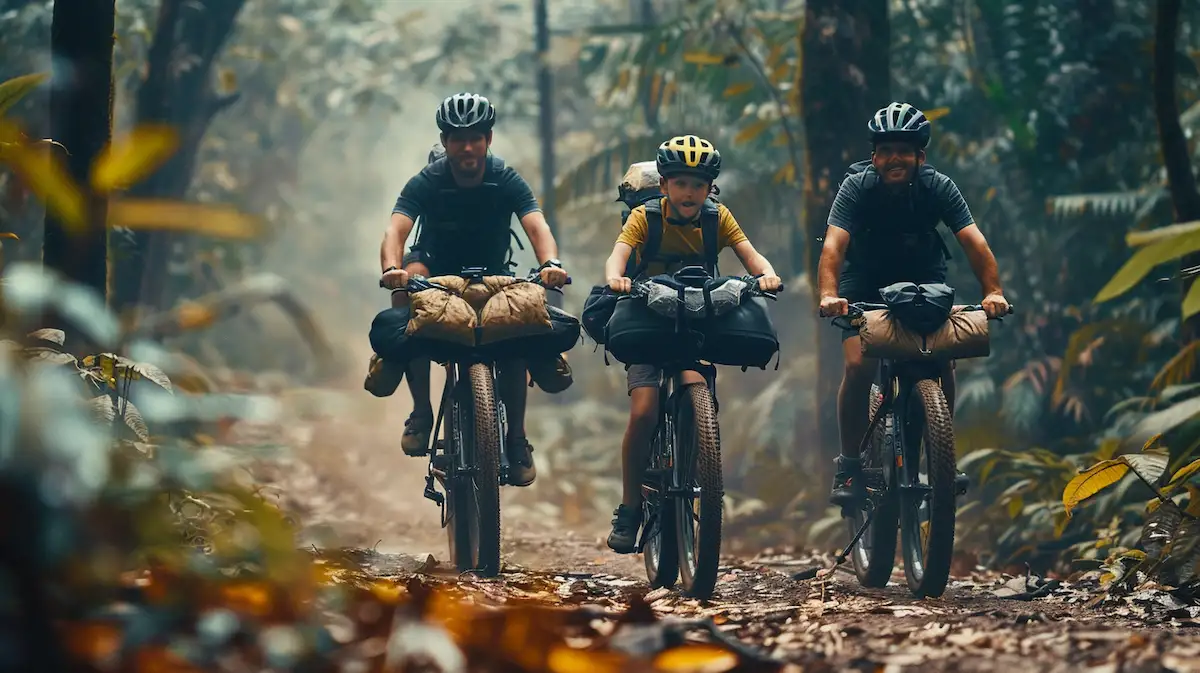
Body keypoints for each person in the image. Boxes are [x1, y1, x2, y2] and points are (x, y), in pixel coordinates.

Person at [816, 101, 1010, 507]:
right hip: (864, 280)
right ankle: (850, 464)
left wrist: (993, 291)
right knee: (857, 364)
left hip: (924, 278)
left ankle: (942, 454)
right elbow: (834, 244)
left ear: (920, 156)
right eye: (886, 150)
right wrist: (830, 294)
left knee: (943, 360)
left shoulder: (939, 187)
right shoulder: (856, 187)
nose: (894, 158)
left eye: (904, 150)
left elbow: (973, 241)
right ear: (874, 157)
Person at [601, 134, 783, 553]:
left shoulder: (718, 218)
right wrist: (617, 277)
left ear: (710, 189)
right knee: (644, 409)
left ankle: (697, 445)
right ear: (663, 186)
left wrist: (766, 275)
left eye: (698, 185)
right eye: (681, 183)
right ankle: (630, 507)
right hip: (647, 317)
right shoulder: (645, 217)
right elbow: (619, 255)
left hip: (696, 315)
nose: (689, 193)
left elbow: (751, 257)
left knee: (697, 382)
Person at [379, 92, 569, 487]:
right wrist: (392, 269)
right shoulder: (427, 181)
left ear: (489, 139)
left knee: (514, 337)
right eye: (457, 138)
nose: (467, 146)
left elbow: (536, 225)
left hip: (494, 273)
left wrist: (550, 263)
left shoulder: (506, 178)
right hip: (432, 268)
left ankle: (516, 439)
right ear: (445, 142)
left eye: (475, 137)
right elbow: (396, 228)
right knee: (410, 297)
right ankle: (420, 412)